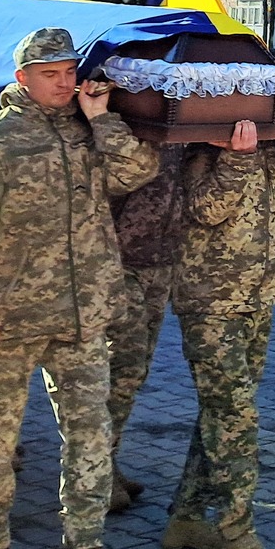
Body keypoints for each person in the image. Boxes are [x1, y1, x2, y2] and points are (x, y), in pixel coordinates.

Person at [0, 28, 161, 549]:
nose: (63, 82)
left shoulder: (88, 133)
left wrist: (102, 117)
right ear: (22, 78)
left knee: (90, 435)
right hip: (4, 319)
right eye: (50, 74)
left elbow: (138, 172)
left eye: (68, 72)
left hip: (81, 319)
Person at [164, 94, 275, 549]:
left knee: (221, 413)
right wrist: (236, 158)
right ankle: (236, 532)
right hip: (210, 303)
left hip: (258, 300)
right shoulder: (200, 150)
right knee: (235, 417)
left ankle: (185, 517)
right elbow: (206, 210)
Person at [103, 143, 189, 517]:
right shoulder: (126, 112)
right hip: (121, 261)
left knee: (136, 370)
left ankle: (106, 460)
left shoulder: (183, 118)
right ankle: (95, 470)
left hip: (162, 258)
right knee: (120, 367)